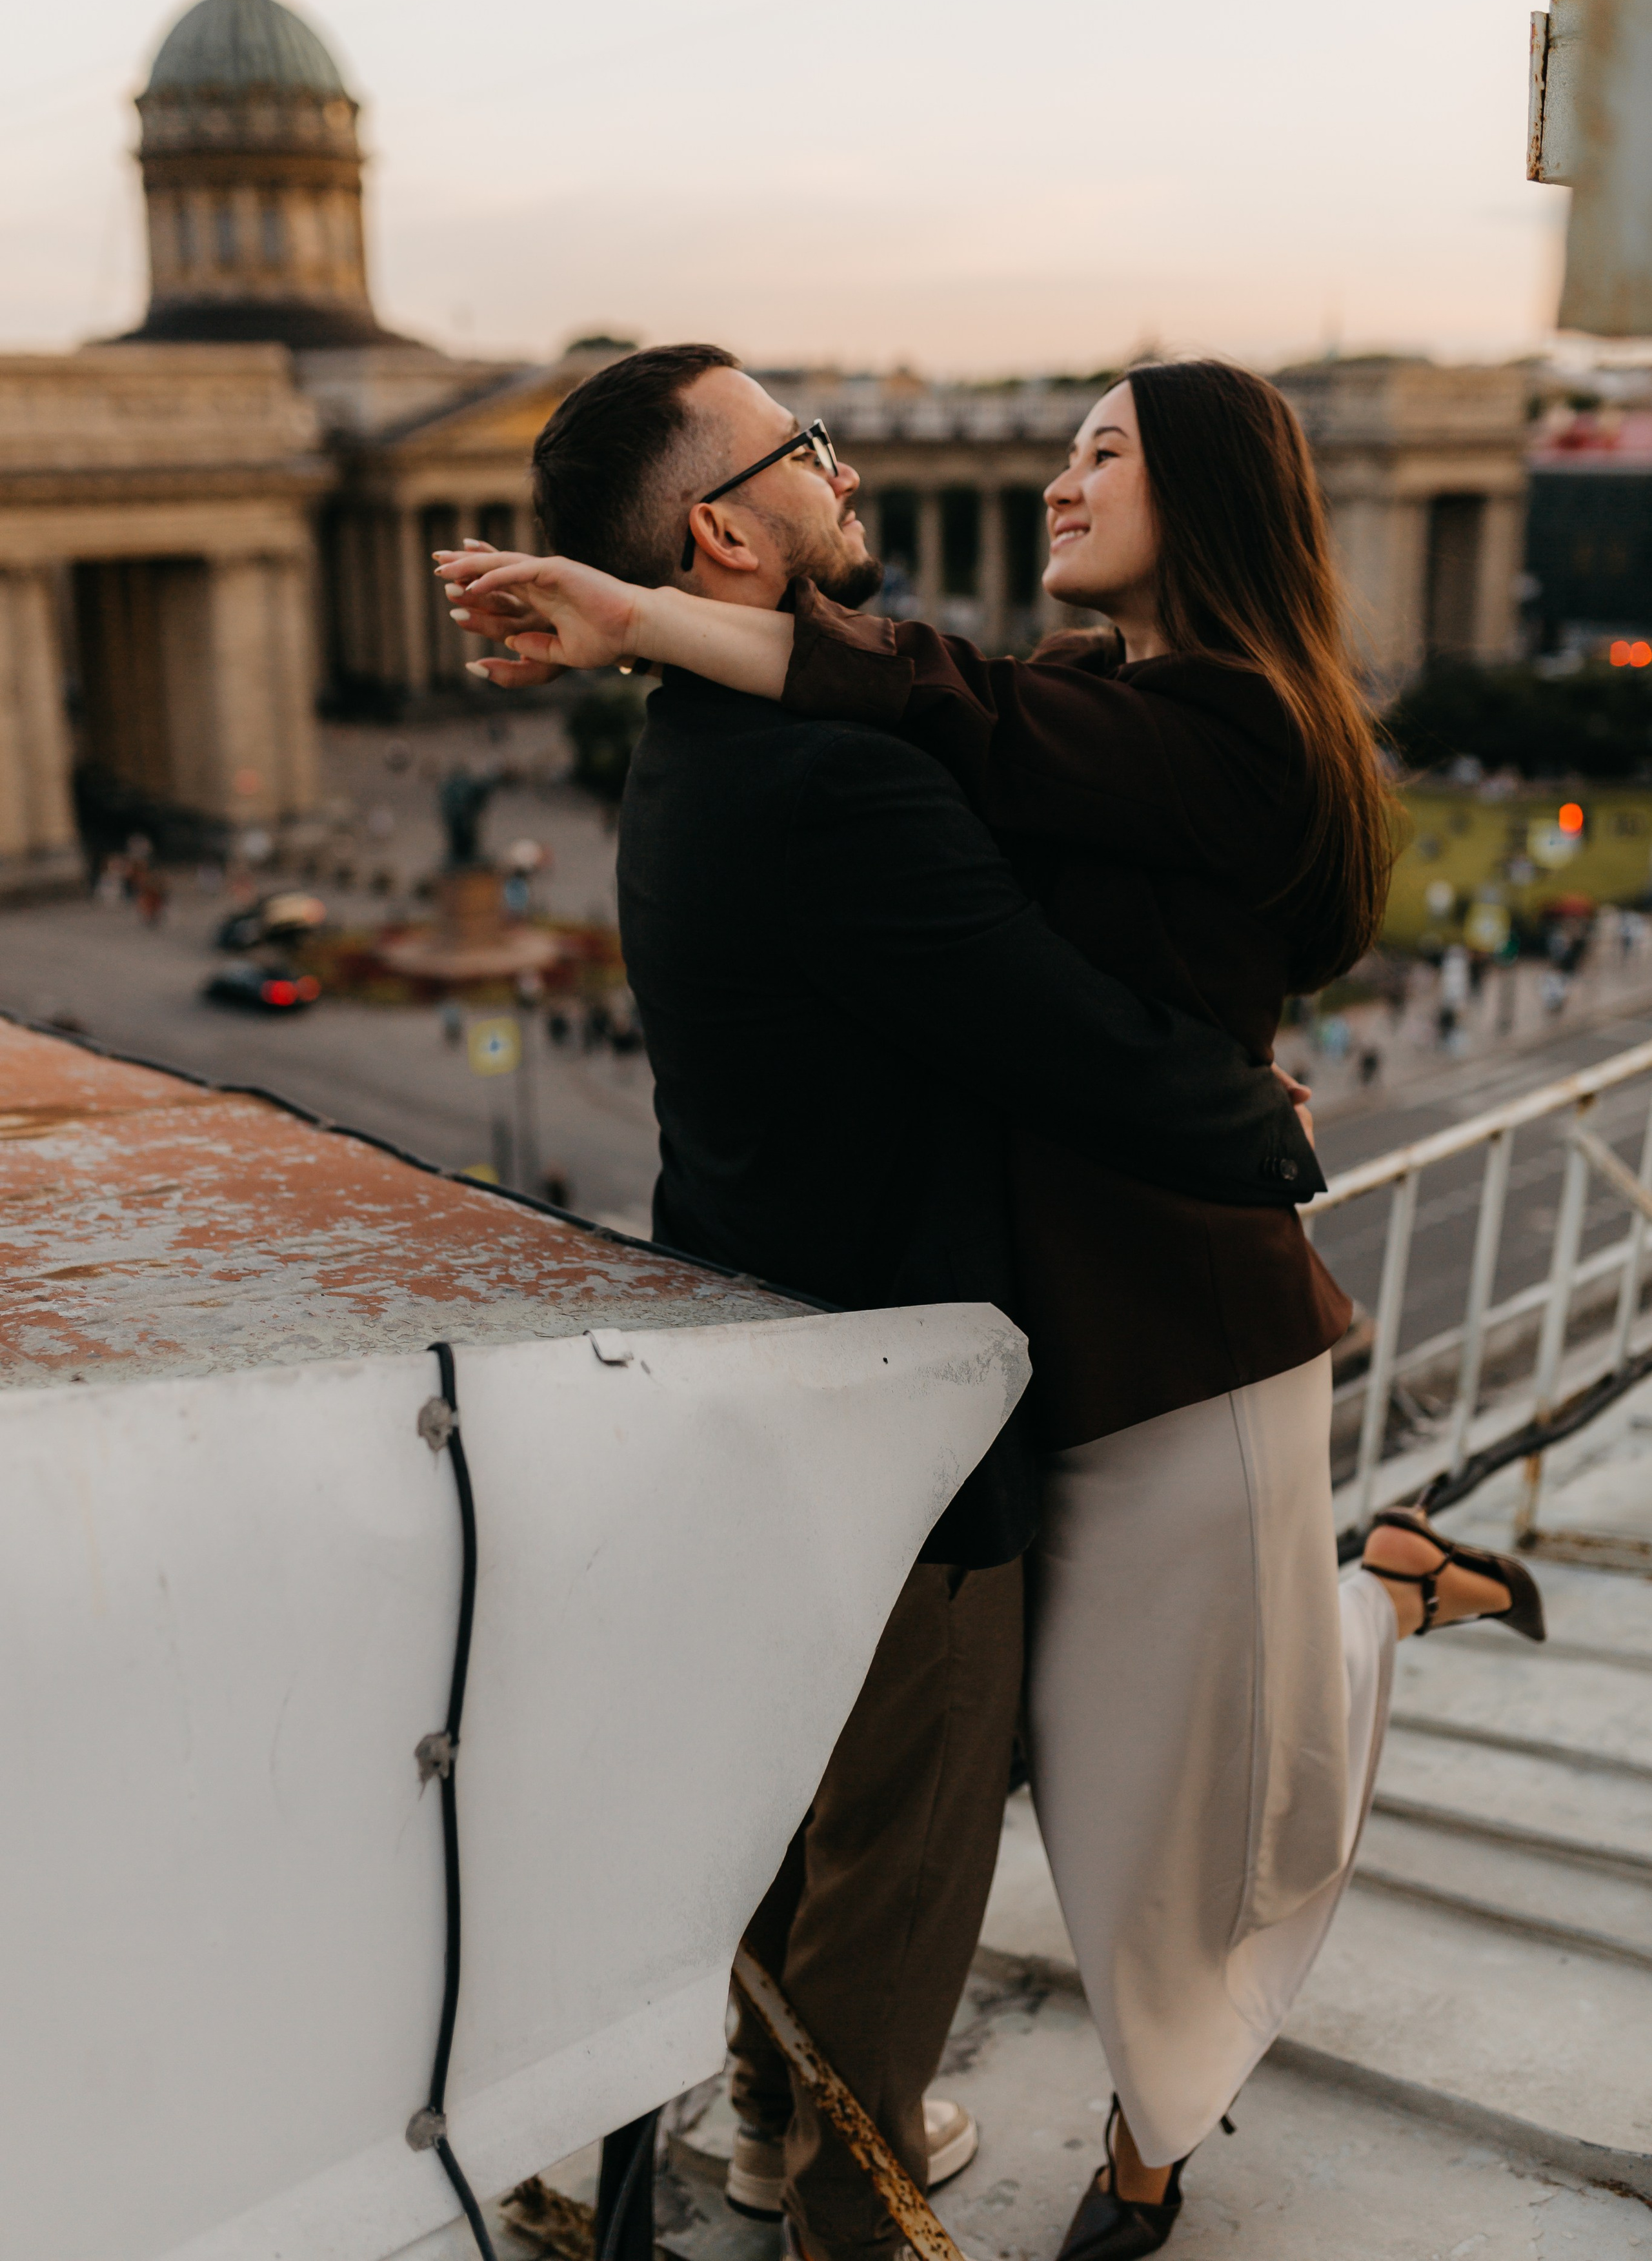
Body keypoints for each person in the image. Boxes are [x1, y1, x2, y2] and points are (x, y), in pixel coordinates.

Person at [441, 354, 1546, 2261]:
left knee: (1156, 1793)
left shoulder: (1141, 722)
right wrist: (1242, 1110)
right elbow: (1047, 995)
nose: (854, 462)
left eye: (1100, 451)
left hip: (1122, 1341)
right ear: (726, 521)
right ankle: (840, 2192)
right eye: (805, 450)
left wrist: (641, 624)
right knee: (932, 1826)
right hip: (936, 1392)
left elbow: (964, 722)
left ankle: (1101, 2135)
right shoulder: (854, 758)